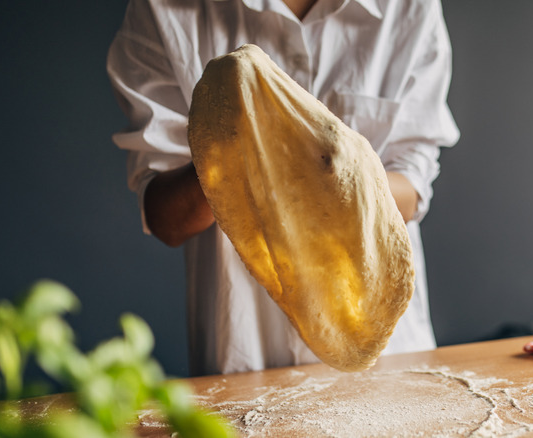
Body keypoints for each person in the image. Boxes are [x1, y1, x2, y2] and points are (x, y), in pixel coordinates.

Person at [107, 0, 460, 376]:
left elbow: (413, 182)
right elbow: (166, 219)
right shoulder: (164, 10)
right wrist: (232, 151)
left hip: (390, 361)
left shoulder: (406, 8)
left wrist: (339, 175)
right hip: (245, 359)